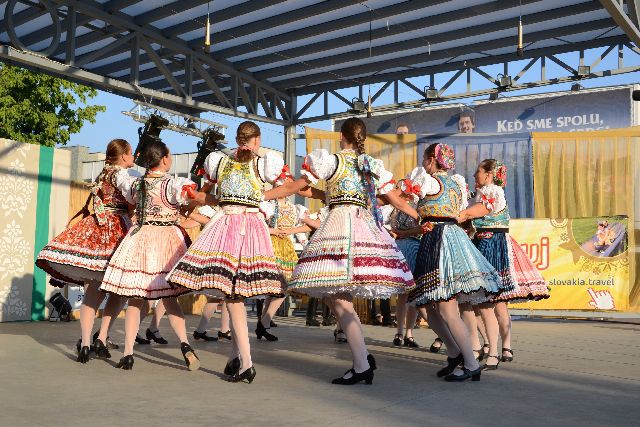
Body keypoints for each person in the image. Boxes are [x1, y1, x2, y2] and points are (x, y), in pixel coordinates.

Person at [167, 121, 304, 384]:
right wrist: (263, 196)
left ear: (238, 138)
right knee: (234, 296)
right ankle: (239, 359)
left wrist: (193, 199)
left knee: (232, 296)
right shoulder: (262, 163)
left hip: (225, 226)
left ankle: (242, 361)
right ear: (257, 139)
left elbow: (211, 198)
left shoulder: (220, 161)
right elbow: (289, 187)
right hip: (249, 228)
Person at [288, 117, 417, 385]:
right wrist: (419, 215)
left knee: (338, 298)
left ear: (341, 137)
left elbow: (299, 187)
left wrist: (266, 194)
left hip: (339, 227)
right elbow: (394, 200)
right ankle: (363, 358)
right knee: (335, 297)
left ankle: (361, 364)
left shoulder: (332, 161)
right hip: (361, 226)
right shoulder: (368, 165)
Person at [100, 140, 206, 371]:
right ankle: (186, 345)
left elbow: (128, 197)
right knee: (169, 298)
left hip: (141, 239)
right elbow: (194, 197)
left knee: (136, 298)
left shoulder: (136, 183)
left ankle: (128, 353)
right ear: (165, 159)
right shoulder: (173, 184)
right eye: (170, 156)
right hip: (166, 240)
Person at [36, 139, 136, 363]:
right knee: (120, 290)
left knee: (92, 291)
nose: (133, 157)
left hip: (97, 228)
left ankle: (85, 344)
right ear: (123, 156)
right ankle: (101, 336)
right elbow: (133, 198)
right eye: (131, 153)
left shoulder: (103, 173)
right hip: (117, 229)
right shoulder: (122, 175)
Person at [408, 143, 501, 382]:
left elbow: (406, 200)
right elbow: (462, 211)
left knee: (446, 308)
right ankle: (454, 352)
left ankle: (470, 362)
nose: (423, 164)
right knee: (429, 304)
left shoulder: (428, 181)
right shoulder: (456, 183)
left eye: (425, 159)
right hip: (447, 237)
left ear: (431, 159)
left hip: (439, 239)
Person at [459, 159, 550, 364]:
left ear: (489, 174)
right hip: (480, 244)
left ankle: (504, 345)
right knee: (475, 300)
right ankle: (486, 344)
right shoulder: (478, 195)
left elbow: (479, 211)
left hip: (495, 245)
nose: (474, 175)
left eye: (478, 172)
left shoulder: (494, 191)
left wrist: (460, 215)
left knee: (497, 302)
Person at [259, 177, 312, 341]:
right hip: (270, 245)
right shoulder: (267, 205)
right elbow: (259, 225)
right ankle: (264, 323)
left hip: (287, 248)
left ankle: (264, 322)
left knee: (282, 287)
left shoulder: (295, 208)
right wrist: (274, 231)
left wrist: (306, 245)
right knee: (276, 287)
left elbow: (300, 230)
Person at [382, 179, 428, 348]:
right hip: (399, 249)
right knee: (403, 293)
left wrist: (401, 233)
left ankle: (409, 332)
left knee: (413, 291)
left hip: (415, 247)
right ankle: (400, 332)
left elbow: (423, 226)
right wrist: (390, 233)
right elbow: (380, 224)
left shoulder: (417, 206)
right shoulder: (392, 208)